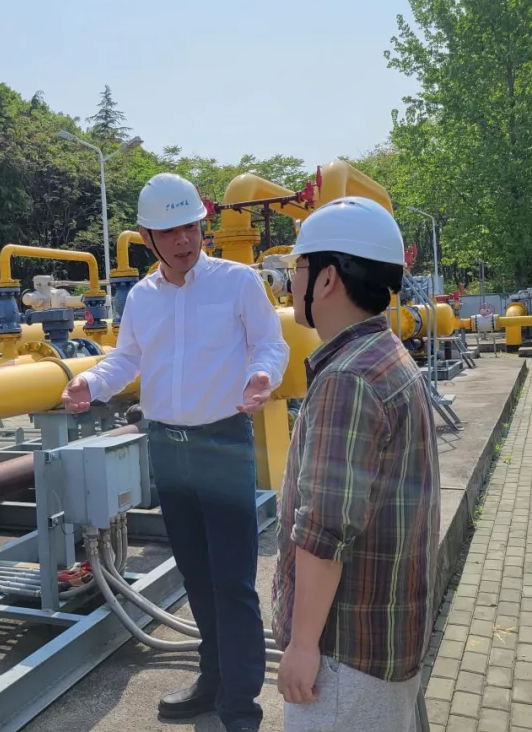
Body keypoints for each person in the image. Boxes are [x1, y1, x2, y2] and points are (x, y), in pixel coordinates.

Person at [61, 172, 290, 732]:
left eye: (190, 227)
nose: (183, 239)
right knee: (196, 575)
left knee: (233, 582)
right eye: (169, 232)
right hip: (168, 447)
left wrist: (262, 375)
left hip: (222, 444)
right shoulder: (142, 297)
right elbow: (127, 359)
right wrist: (91, 382)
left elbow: (270, 342)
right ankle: (213, 680)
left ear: (201, 226)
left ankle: (241, 707)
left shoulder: (237, 282)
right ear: (147, 238)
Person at [271, 197, 439, 731]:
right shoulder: (386, 354)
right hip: (386, 636)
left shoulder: (347, 379)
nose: (290, 281)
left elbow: (324, 531)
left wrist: (302, 644)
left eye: (298, 267)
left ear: (327, 279)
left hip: (345, 655)